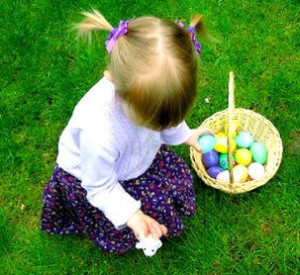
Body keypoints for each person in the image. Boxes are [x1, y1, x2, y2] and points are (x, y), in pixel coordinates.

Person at [40, 10, 211, 254]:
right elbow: (99, 186)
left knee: (172, 180)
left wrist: (187, 135)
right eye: (156, 122)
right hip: (95, 176)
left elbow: (168, 121)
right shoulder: (98, 132)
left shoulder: (143, 97)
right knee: (148, 209)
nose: (162, 128)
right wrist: (132, 215)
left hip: (132, 154)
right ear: (120, 94)